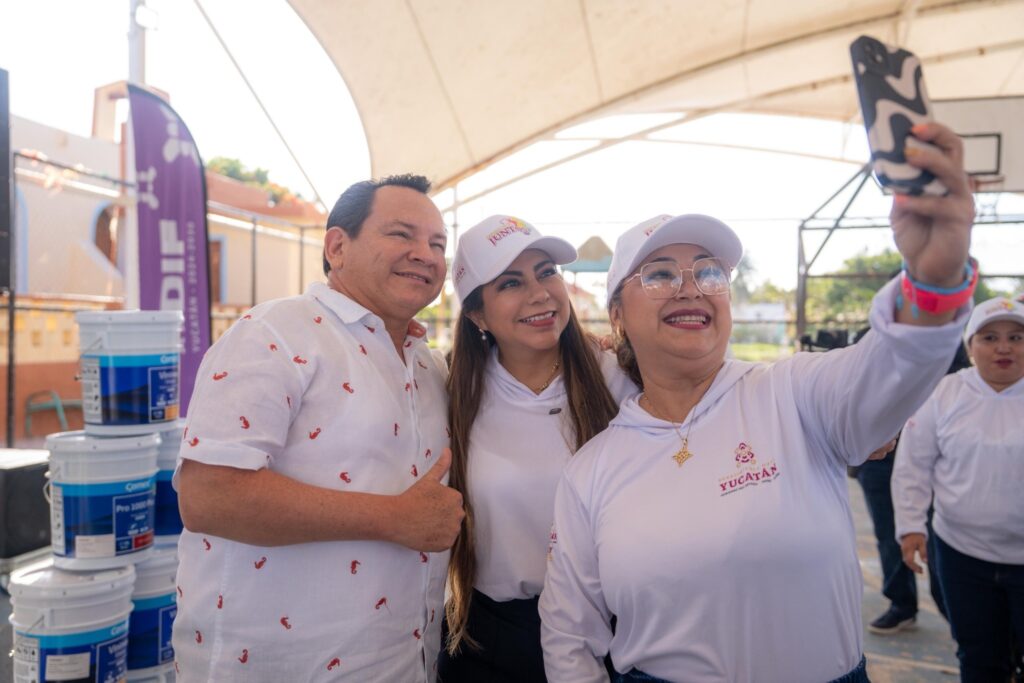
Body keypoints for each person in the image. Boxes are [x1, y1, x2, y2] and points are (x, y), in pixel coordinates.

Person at [539, 121, 975, 682]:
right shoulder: (592, 470)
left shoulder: (794, 395)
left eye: (709, 272)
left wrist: (933, 278)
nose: (690, 287)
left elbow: (894, 364)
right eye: (659, 274)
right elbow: (569, 635)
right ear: (617, 315)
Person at [172, 174, 465, 682]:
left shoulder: (428, 365)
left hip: (400, 665)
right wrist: (393, 518)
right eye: (402, 234)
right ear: (337, 247)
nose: (425, 254)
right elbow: (208, 496)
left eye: (438, 244)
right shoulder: (275, 333)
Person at [439, 215, 636, 682]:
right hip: (492, 635)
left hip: (614, 629)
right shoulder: (449, 390)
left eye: (546, 272)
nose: (540, 293)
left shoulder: (621, 377)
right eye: (511, 282)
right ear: (477, 315)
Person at [893, 296, 1024, 682]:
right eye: (989, 337)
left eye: (1016, 337)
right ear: (969, 347)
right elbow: (914, 465)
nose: (1003, 348)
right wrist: (911, 526)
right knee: (979, 655)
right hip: (961, 554)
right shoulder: (945, 393)